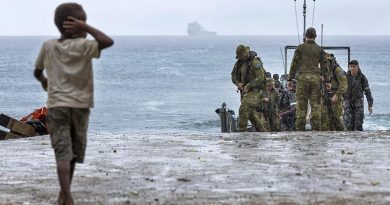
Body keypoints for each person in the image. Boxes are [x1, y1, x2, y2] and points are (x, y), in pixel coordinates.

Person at [33, 3, 114, 204]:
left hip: (57, 106)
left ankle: (64, 194)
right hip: (80, 107)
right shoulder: (84, 46)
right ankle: (68, 196)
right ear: (73, 25)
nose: (84, 25)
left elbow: (37, 72)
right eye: (81, 22)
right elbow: (107, 41)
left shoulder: (48, 46)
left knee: (62, 151)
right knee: (74, 153)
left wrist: (44, 81)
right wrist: (86, 28)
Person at [287, 27, 328, 131]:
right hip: (315, 79)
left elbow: (294, 64)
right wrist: (327, 81)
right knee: (315, 106)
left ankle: (300, 130)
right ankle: (316, 130)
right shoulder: (319, 49)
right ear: (315, 37)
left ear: (305, 36)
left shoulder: (300, 48)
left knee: (301, 106)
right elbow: (324, 66)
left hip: (303, 79)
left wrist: (290, 79)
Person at [231, 45, 266, 132]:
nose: (240, 58)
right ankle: (262, 131)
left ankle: (241, 131)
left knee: (243, 109)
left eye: (241, 56)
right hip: (244, 92)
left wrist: (249, 85)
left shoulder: (255, 63)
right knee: (250, 113)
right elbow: (233, 75)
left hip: (256, 91)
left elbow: (260, 78)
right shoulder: (239, 63)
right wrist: (238, 84)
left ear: (246, 54)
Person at [320, 54, 348, 131]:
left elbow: (344, 85)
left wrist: (337, 95)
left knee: (336, 119)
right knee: (324, 119)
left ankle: (341, 135)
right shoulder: (322, 70)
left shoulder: (337, 70)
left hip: (336, 96)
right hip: (325, 96)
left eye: (327, 62)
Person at [344, 60, 373, 131]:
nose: (353, 68)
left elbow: (367, 91)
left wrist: (370, 104)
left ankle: (359, 141)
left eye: (354, 66)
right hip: (348, 103)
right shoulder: (346, 77)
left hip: (358, 104)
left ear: (358, 67)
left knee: (358, 125)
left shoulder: (362, 77)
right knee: (348, 124)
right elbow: (341, 88)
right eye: (351, 66)